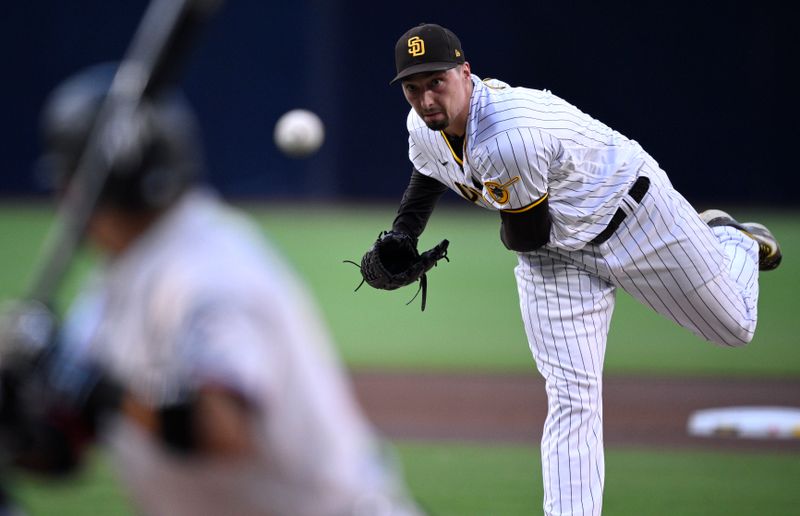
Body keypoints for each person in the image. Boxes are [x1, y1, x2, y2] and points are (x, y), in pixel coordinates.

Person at [365, 23, 783, 516]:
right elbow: (429, 167)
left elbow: (527, 233)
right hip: (555, 255)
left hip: (634, 217)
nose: (425, 97)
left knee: (736, 326)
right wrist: (403, 235)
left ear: (465, 72)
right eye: (413, 88)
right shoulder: (422, 123)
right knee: (572, 397)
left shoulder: (507, 137)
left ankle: (729, 239)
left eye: (437, 81)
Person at [0, 63, 424, 516]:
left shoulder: (209, 268)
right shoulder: (115, 282)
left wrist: (90, 385)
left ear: (75, 189)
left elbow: (222, 430)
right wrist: (20, 412)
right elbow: (66, 446)